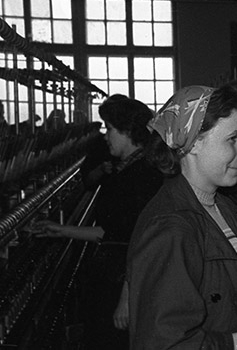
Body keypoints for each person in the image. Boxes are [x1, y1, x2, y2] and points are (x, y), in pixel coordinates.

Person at [126, 85, 237, 349]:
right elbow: (163, 344)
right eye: (232, 139)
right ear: (193, 143)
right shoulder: (170, 227)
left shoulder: (220, 207)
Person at [34, 97, 163, 349]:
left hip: (122, 280)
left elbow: (140, 241)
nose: (106, 136)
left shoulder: (141, 177)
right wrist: (59, 230)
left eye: (110, 129)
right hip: (113, 274)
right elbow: (110, 232)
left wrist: (126, 296)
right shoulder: (126, 170)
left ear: (127, 131)